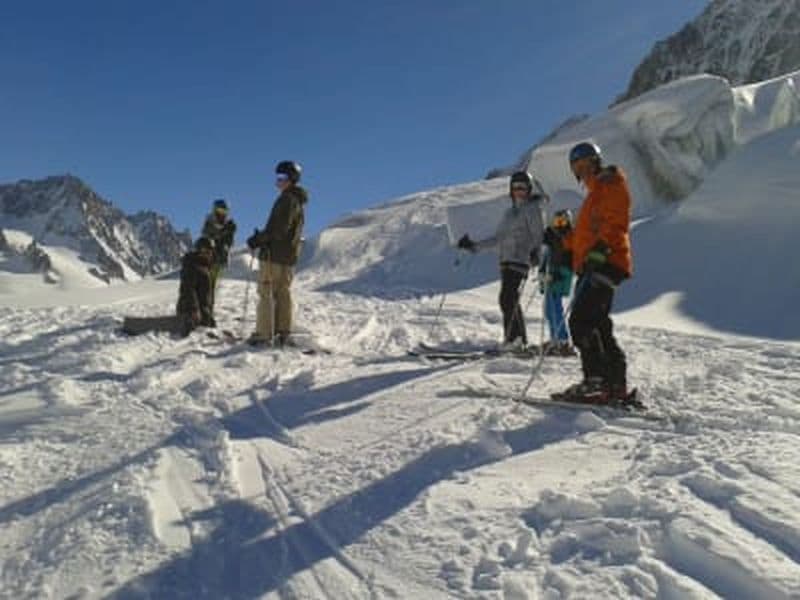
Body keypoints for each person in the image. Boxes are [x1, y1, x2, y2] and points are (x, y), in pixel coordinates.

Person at [556, 142, 633, 404]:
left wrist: (600, 249)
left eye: (586, 163)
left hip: (605, 262)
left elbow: (617, 220)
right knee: (599, 325)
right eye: (577, 167)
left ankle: (595, 381)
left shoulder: (611, 184)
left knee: (581, 321)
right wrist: (565, 238)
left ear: (596, 161)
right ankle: (614, 383)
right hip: (594, 263)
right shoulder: (591, 198)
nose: (583, 170)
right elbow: (582, 240)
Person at [457, 171, 546, 350]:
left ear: (529, 189)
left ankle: (514, 340)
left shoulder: (532, 209)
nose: (519, 191)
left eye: (522, 187)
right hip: (506, 261)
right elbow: (498, 239)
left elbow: (538, 234)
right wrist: (474, 246)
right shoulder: (509, 214)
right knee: (509, 299)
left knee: (507, 298)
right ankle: (517, 339)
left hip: (520, 259)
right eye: (515, 187)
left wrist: (536, 252)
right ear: (511, 190)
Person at [246, 161, 308, 347]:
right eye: (277, 178)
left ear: (291, 180)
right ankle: (283, 331)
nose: (277, 182)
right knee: (283, 292)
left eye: (281, 178)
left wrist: (259, 239)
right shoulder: (297, 201)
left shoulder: (287, 200)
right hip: (288, 257)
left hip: (274, 254)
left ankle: (264, 334)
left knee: (266, 291)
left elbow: (278, 229)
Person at [540, 209, 577, 356]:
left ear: (568, 221)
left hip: (561, 274)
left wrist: (559, 273)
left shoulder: (569, 236)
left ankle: (562, 340)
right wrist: (543, 271)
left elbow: (570, 257)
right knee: (549, 308)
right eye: (557, 222)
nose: (559, 225)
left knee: (554, 307)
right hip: (551, 273)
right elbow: (547, 254)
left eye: (562, 221)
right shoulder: (553, 236)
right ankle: (555, 339)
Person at [201, 198, 237, 314]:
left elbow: (229, 243)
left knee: (212, 285)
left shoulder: (228, 223)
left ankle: (208, 309)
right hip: (208, 257)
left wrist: (230, 233)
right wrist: (223, 232)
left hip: (219, 258)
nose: (222, 213)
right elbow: (207, 236)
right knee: (206, 284)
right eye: (220, 210)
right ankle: (204, 309)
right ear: (215, 210)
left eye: (224, 211)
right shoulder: (210, 221)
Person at [176, 236, 216, 336]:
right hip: (190, 312)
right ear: (200, 250)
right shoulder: (192, 265)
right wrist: (193, 309)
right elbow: (188, 289)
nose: (209, 254)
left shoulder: (204, 267)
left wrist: (208, 314)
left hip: (202, 312)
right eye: (206, 250)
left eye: (210, 251)